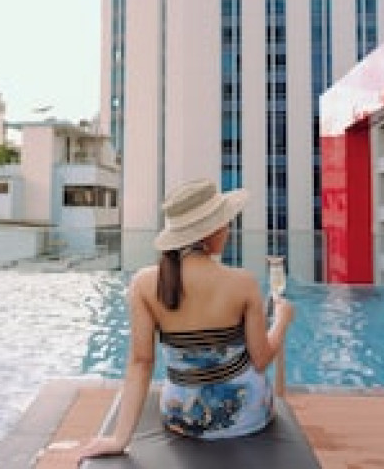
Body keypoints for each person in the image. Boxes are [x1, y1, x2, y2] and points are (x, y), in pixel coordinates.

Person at [76, 178, 295, 463]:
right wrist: (282, 320)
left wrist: (119, 439)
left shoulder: (144, 284)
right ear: (210, 231)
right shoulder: (243, 282)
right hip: (246, 414)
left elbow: (141, 363)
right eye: (225, 222)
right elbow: (262, 359)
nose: (228, 229)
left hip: (183, 415)